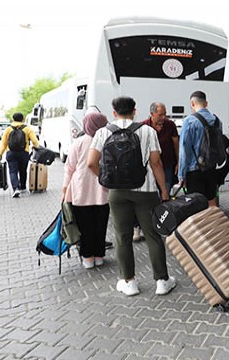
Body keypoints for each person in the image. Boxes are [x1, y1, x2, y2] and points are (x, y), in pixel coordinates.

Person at [87, 96, 175, 297]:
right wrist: (164, 191)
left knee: (122, 236)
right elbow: (156, 163)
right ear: (135, 111)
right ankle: (162, 281)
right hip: (146, 191)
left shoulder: (102, 132)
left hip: (117, 193)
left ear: (114, 112)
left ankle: (129, 282)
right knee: (153, 235)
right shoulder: (147, 131)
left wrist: (106, 180)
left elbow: (91, 163)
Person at [63, 113, 110, 269]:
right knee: (100, 225)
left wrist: (65, 189)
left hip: (81, 191)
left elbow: (69, 168)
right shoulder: (107, 141)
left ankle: (88, 258)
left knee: (85, 227)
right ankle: (99, 256)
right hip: (102, 191)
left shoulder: (79, 143)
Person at [178, 91, 221, 208]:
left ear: (192, 103)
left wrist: (181, 176)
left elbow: (184, 150)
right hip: (211, 167)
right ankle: (214, 225)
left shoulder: (189, 121)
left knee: (196, 205)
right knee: (212, 201)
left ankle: (202, 226)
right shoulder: (217, 121)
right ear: (206, 103)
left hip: (194, 170)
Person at [0, 113, 40, 198]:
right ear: (23, 119)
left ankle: (15, 188)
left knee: (13, 171)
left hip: (11, 153)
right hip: (24, 153)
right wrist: (37, 148)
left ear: (13, 119)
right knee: (23, 170)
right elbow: (35, 141)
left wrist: (0, 154)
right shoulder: (27, 129)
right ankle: (23, 187)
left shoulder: (8, 129)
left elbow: (3, 144)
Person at [143, 102, 179, 192]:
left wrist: (179, 161)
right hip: (150, 166)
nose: (163, 117)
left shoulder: (170, 125)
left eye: (165, 114)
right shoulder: (144, 126)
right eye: (160, 115)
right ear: (152, 114)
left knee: (166, 189)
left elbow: (176, 144)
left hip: (167, 164)